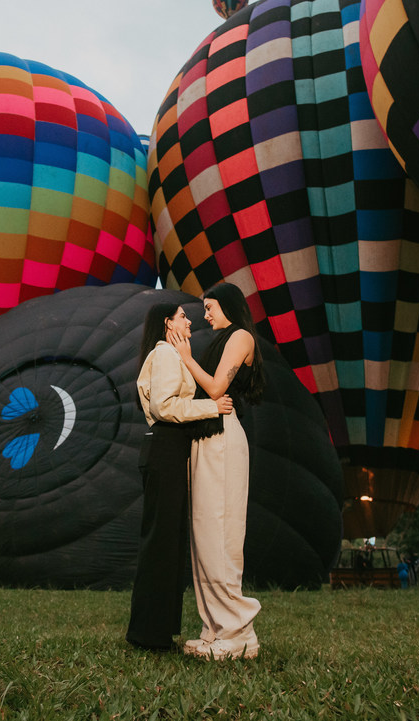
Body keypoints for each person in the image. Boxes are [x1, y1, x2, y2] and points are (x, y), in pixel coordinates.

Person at [126, 303, 233, 652]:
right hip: (166, 449)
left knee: (169, 542)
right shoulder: (165, 355)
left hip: (170, 450)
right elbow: (164, 406)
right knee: (161, 542)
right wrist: (211, 407)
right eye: (182, 316)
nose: (190, 320)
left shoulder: (170, 356)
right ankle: (148, 635)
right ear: (167, 324)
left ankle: (157, 631)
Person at [171, 282, 266, 660]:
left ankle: (240, 632)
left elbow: (215, 389)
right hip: (205, 434)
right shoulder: (221, 339)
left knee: (221, 529)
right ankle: (214, 629)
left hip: (224, 436)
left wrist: (185, 356)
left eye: (209, 307)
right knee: (204, 533)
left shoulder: (241, 336)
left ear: (228, 305)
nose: (205, 315)